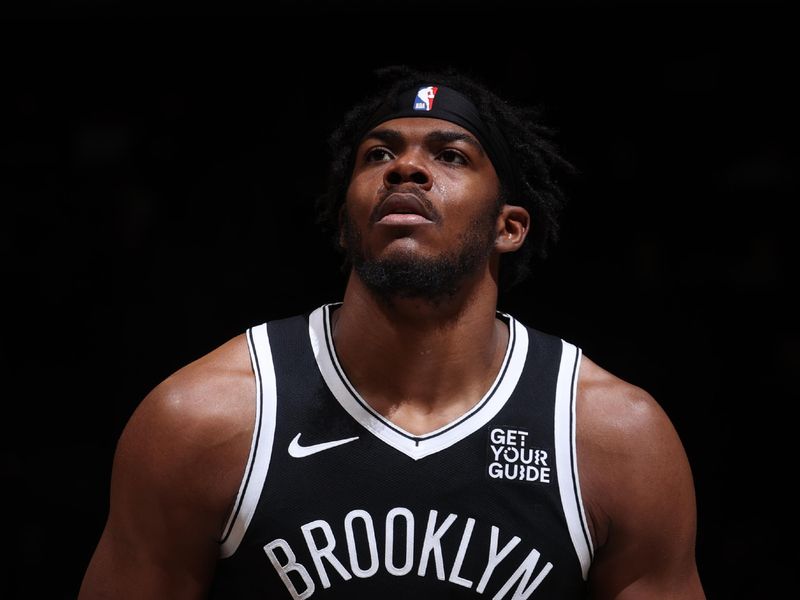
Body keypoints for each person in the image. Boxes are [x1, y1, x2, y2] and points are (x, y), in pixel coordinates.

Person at [78, 65, 706, 599]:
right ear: (346, 216)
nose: (406, 168)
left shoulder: (614, 440)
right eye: (378, 154)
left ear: (508, 228)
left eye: (450, 154)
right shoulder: (202, 420)